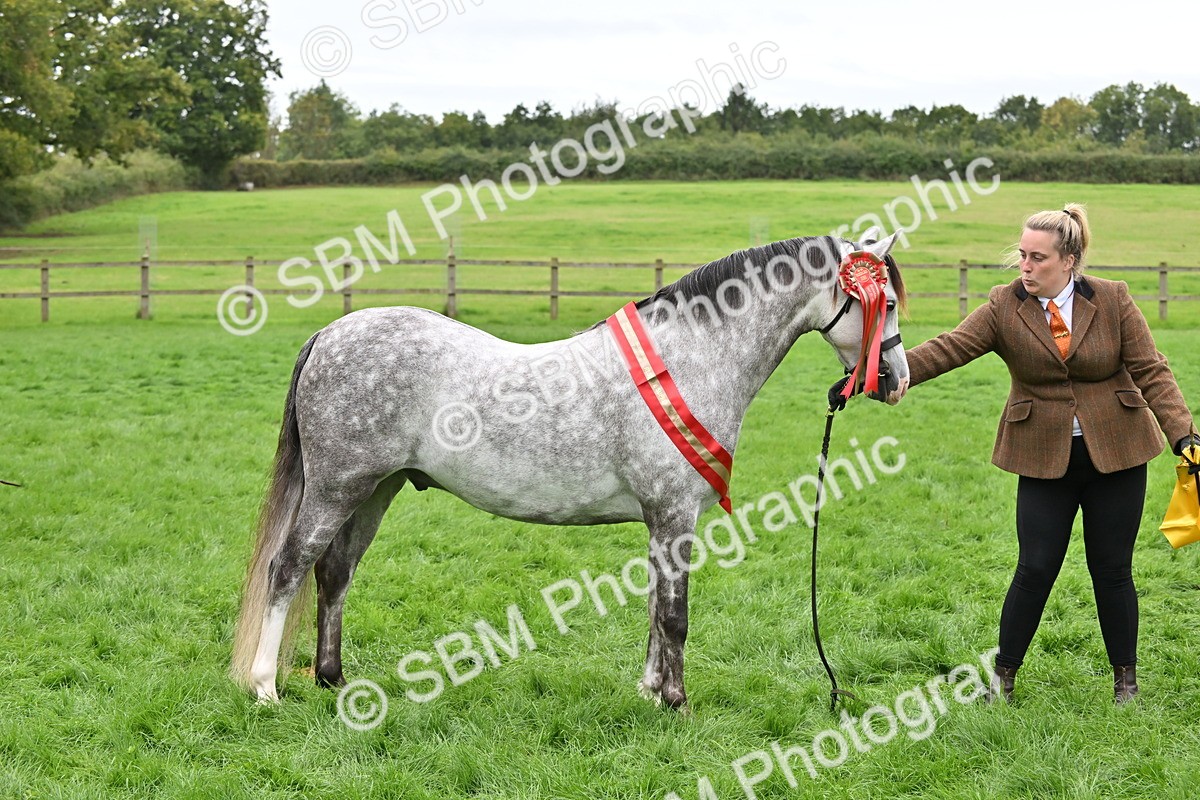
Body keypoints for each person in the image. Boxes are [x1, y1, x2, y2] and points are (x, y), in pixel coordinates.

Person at [891, 204, 1196, 704]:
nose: (1025, 267)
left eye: (1037, 258)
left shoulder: (1113, 299)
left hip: (1117, 453)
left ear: (1070, 260)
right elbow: (951, 347)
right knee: (1034, 568)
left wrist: (1186, 436)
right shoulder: (1003, 304)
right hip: (1042, 456)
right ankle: (1002, 680)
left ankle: (1126, 682)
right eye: (1022, 256)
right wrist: (886, 374)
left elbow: (1151, 370)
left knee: (1113, 569)